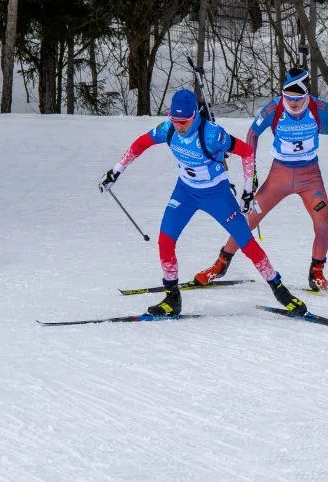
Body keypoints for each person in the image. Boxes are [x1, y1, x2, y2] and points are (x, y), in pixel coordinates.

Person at [98, 88, 307, 317]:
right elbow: (141, 144)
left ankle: (280, 290)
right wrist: (116, 171)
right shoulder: (168, 129)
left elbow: (246, 152)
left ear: (195, 115)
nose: (179, 126)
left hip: (217, 195)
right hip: (185, 193)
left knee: (245, 241)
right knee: (165, 240)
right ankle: (172, 298)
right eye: (175, 120)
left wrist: (248, 190)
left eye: (184, 121)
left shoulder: (212, 134)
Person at [192, 67, 328, 292]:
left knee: (321, 222)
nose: (293, 103)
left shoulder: (318, 108)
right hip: (280, 176)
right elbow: (253, 134)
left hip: (310, 177)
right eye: (288, 97)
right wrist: (252, 172)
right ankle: (221, 264)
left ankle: (317, 274)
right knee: (248, 221)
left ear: (306, 95)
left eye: (298, 98)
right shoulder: (274, 108)